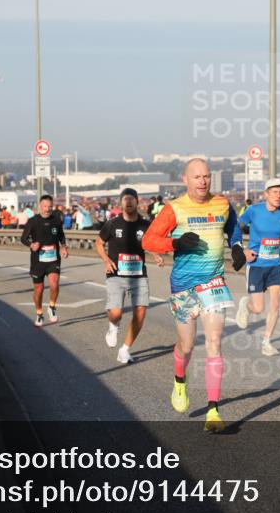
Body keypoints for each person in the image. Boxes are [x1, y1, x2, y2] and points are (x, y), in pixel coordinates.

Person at [141, 158, 244, 433]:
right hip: (184, 286)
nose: (203, 181)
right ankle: (179, 380)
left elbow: (233, 227)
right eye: (197, 177)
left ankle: (213, 410)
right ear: (185, 180)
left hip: (213, 282)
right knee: (186, 347)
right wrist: (174, 243)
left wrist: (236, 247)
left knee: (214, 342)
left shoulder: (222, 204)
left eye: (207, 176)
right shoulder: (173, 208)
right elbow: (148, 240)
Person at [96, 188, 162, 363]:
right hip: (116, 274)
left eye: (132, 199)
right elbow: (99, 243)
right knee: (116, 313)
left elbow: (151, 243)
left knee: (140, 313)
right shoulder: (112, 224)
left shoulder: (145, 225)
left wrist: (155, 254)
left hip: (139, 275)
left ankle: (125, 349)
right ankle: (113, 326)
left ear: (137, 202)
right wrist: (105, 260)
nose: (129, 202)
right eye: (125, 199)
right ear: (121, 203)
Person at [235, 178, 280, 357]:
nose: (279, 195)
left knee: (275, 304)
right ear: (266, 194)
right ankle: (246, 305)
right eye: (275, 192)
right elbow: (236, 228)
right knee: (259, 307)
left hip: (275, 264)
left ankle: (266, 342)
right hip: (256, 264)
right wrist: (242, 249)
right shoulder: (253, 211)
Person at [21, 195, 69, 325]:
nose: (47, 209)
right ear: (40, 207)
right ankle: (39, 313)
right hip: (38, 260)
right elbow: (23, 238)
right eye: (45, 207)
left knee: (54, 284)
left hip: (53, 258)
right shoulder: (32, 221)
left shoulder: (56, 220)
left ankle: (52, 307)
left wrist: (64, 247)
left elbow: (61, 236)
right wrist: (32, 245)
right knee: (39, 289)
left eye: (49, 207)